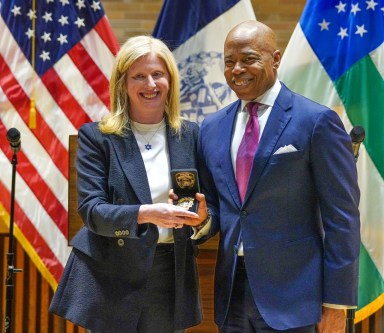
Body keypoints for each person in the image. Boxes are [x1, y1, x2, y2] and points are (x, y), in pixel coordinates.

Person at [196, 20, 360, 333]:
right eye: (229, 62)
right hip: (231, 295)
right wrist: (202, 219)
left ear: (276, 58)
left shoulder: (316, 122)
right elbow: (218, 207)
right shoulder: (211, 127)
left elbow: (342, 217)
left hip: (296, 299)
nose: (236, 69)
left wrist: (337, 304)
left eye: (248, 59)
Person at [49, 35, 208, 333]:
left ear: (170, 81)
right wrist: (146, 214)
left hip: (170, 275)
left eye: (158, 74)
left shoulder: (191, 135)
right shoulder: (98, 138)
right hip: (111, 276)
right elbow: (92, 211)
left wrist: (202, 220)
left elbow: (208, 205)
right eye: (139, 76)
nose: (150, 84)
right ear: (123, 84)